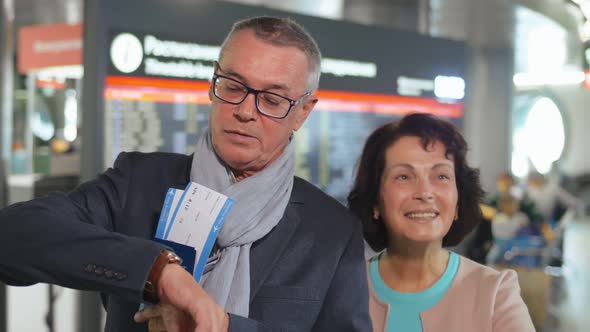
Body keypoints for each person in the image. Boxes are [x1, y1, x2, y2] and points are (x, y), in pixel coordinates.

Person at [0, 17, 372, 332]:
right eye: (233, 86)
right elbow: (12, 237)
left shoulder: (331, 232)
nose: (245, 111)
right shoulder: (139, 182)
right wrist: (157, 271)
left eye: (272, 100)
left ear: (304, 111)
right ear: (213, 83)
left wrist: (221, 325)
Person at [348, 113, 534, 332]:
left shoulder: (496, 294)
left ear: (457, 201)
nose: (425, 193)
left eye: (441, 176)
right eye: (404, 177)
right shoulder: (344, 289)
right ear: (375, 200)